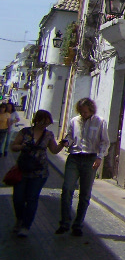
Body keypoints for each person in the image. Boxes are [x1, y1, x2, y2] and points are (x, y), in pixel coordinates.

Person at [57, 97, 110, 237]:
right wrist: (66, 142)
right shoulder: (74, 121)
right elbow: (70, 136)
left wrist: (100, 157)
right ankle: (64, 222)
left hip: (90, 158)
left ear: (91, 110)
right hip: (74, 157)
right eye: (81, 112)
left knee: (85, 193)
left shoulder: (100, 122)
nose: (83, 114)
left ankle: (78, 225)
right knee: (67, 188)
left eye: (86, 112)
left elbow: (104, 142)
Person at [10, 109, 65, 237]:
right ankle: (19, 219)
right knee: (18, 198)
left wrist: (62, 144)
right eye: (43, 122)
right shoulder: (25, 132)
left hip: (40, 171)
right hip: (22, 169)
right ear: (37, 120)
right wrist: (21, 146)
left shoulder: (49, 135)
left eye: (47, 123)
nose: (45, 125)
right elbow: (13, 147)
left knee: (32, 198)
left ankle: (25, 226)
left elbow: (54, 150)